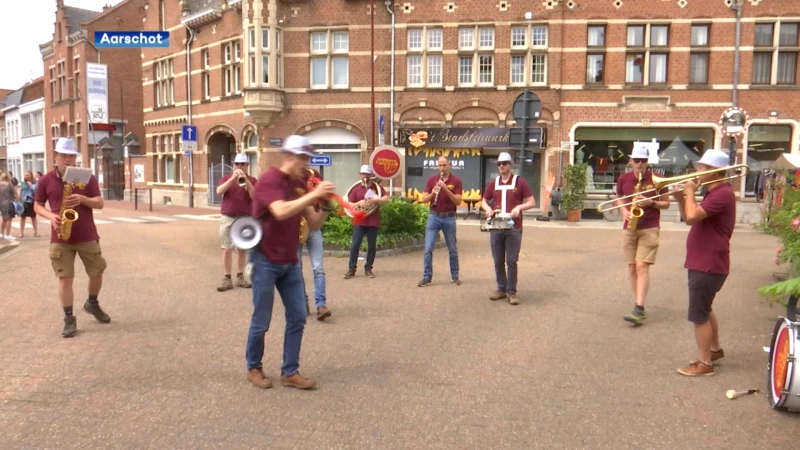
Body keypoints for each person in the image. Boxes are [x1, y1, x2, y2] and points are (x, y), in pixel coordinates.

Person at [245, 135, 334, 390]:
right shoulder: (269, 180)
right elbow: (281, 210)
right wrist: (313, 194)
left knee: (297, 316)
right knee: (262, 320)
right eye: (302, 157)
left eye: (308, 157)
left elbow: (314, 223)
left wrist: (325, 203)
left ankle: (289, 371)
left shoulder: (299, 184)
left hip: (289, 260)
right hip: (264, 260)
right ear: (288, 157)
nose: (307, 162)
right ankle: (253, 367)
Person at [33, 137, 110, 338]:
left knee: (97, 272)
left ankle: (92, 302)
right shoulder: (46, 180)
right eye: (63, 155)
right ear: (55, 156)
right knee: (65, 279)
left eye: (71, 156)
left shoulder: (86, 177)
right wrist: (50, 216)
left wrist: (83, 199)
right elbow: (37, 205)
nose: (67, 160)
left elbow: (100, 203)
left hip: (86, 234)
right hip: (60, 237)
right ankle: (69, 318)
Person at [672, 149, 736, 377]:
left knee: (699, 314)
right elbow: (692, 218)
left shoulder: (722, 194)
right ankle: (714, 350)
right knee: (706, 309)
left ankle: (704, 363)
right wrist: (682, 198)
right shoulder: (714, 193)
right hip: (705, 261)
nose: (697, 171)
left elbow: (691, 216)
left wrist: (689, 192)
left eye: (702, 168)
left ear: (715, 171)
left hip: (707, 263)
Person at [614, 146, 670, 325]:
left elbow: (667, 204)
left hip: (650, 226)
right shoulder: (624, 178)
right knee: (632, 267)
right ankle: (637, 303)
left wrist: (652, 202)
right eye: (636, 160)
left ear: (648, 161)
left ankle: (639, 308)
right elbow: (618, 196)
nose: (640, 163)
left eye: (643, 160)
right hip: (629, 226)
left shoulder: (657, 179)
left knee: (642, 265)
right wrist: (623, 210)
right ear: (630, 161)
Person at [480, 152, 535, 305]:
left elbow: (532, 202)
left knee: (511, 260)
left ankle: (512, 291)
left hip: (513, 227)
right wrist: (488, 210)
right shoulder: (494, 183)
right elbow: (483, 201)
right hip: (497, 226)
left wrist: (519, 207)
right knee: (498, 260)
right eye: (499, 164)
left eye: (504, 163)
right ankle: (501, 288)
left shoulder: (519, 182)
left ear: (510, 165)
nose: (501, 166)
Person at [418, 156, 463, 287]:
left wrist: (446, 189)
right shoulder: (432, 180)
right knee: (428, 248)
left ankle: (455, 276)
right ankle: (427, 277)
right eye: (440, 165)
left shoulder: (456, 181)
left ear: (449, 165)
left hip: (449, 217)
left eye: (444, 165)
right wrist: (432, 194)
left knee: (452, 249)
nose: (442, 168)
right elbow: (424, 199)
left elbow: (458, 201)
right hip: (434, 216)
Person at [216, 153, 258, 291]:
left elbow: (255, 196)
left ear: (247, 166)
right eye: (237, 164)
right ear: (234, 165)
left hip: (244, 217)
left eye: (243, 164)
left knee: (242, 248)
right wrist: (233, 178)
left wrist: (246, 181)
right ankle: (227, 278)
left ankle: (240, 277)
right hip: (228, 216)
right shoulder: (226, 178)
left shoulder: (252, 179)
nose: (239, 167)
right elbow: (219, 191)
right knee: (226, 248)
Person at [344, 165, 389, 279]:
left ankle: (368, 269)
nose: (365, 176)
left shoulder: (376, 188)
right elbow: (348, 204)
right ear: (360, 175)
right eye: (363, 174)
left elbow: (386, 199)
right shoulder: (356, 189)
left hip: (372, 221)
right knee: (355, 245)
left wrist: (375, 199)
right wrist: (358, 203)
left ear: (370, 175)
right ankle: (351, 269)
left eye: (367, 174)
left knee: (371, 246)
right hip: (359, 221)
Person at [298, 168, 331, 320]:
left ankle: (321, 305)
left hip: (312, 227)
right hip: (295, 226)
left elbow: (321, 197)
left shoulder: (314, 174)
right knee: (296, 269)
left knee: (318, 267)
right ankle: (302, 302)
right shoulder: (291, 177)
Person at [18, 171, 40, 238]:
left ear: (31, 175)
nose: (26, 176)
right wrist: (19, 201)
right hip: (24, 202)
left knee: (33, 217)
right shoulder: (22, 183)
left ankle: (36, 232)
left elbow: (36, 191)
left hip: (31, 201)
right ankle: (21, 232)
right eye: (25, 175)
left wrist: (31, 185)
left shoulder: (35, 183)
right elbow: (21, 192)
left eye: (27, 175)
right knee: (22, 217)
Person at [0, 171, 19, 240]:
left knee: (4, 218)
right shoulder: (9, 184)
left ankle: (1, 233)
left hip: (1, 203)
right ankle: (8, 234)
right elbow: (15, 194)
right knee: (9, 219)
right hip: (9, 203)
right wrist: (18, 199)